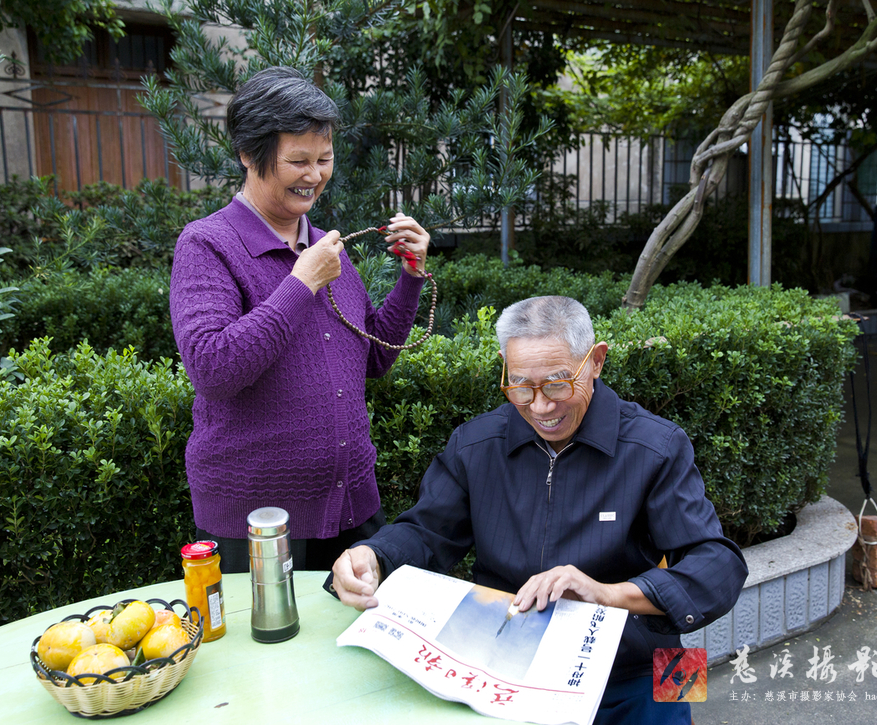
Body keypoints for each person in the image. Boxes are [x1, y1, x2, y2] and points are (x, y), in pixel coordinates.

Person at [329, 295, 747, 724]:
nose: (541, 406)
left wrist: (606, 594)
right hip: (508, 665)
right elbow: (426, 531)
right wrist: (374, 555)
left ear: (596, 361)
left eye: (558, 383)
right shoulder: (475, 444)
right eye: (521, 386)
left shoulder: (659, 445)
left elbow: (720, 564)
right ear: (505, 368)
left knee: (676, 707)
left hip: (641, 662)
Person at [170, 66, 431, 573]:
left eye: (324, 159)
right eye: (298, 161)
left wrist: (411, 277)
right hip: (256, 521)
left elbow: (375, 358)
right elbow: (213, 370)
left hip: (352, 504)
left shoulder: (322, 247)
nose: (314, 175)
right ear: (249, 154)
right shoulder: (207, 244)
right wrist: (300, 283)